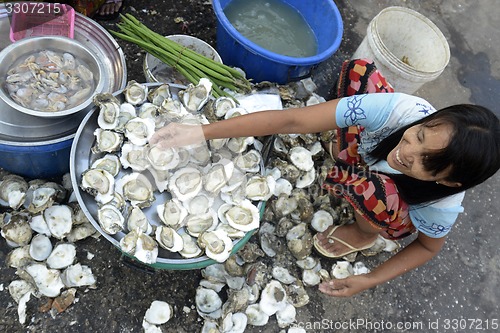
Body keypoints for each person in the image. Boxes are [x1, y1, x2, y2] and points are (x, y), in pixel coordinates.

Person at [150, 59, 500, 297]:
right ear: (428, 119)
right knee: (359, 71)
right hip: (371, 147)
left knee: (369, 189)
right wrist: (203, 131)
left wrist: (369, 278)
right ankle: (355, 158)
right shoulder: (402, 112)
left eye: (427, 161)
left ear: (448, 181)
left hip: (393, 206)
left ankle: (363, 232)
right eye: (421, 135)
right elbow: (293, 121)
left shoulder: (443, 203)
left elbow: (426, 247)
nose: (410, 152)